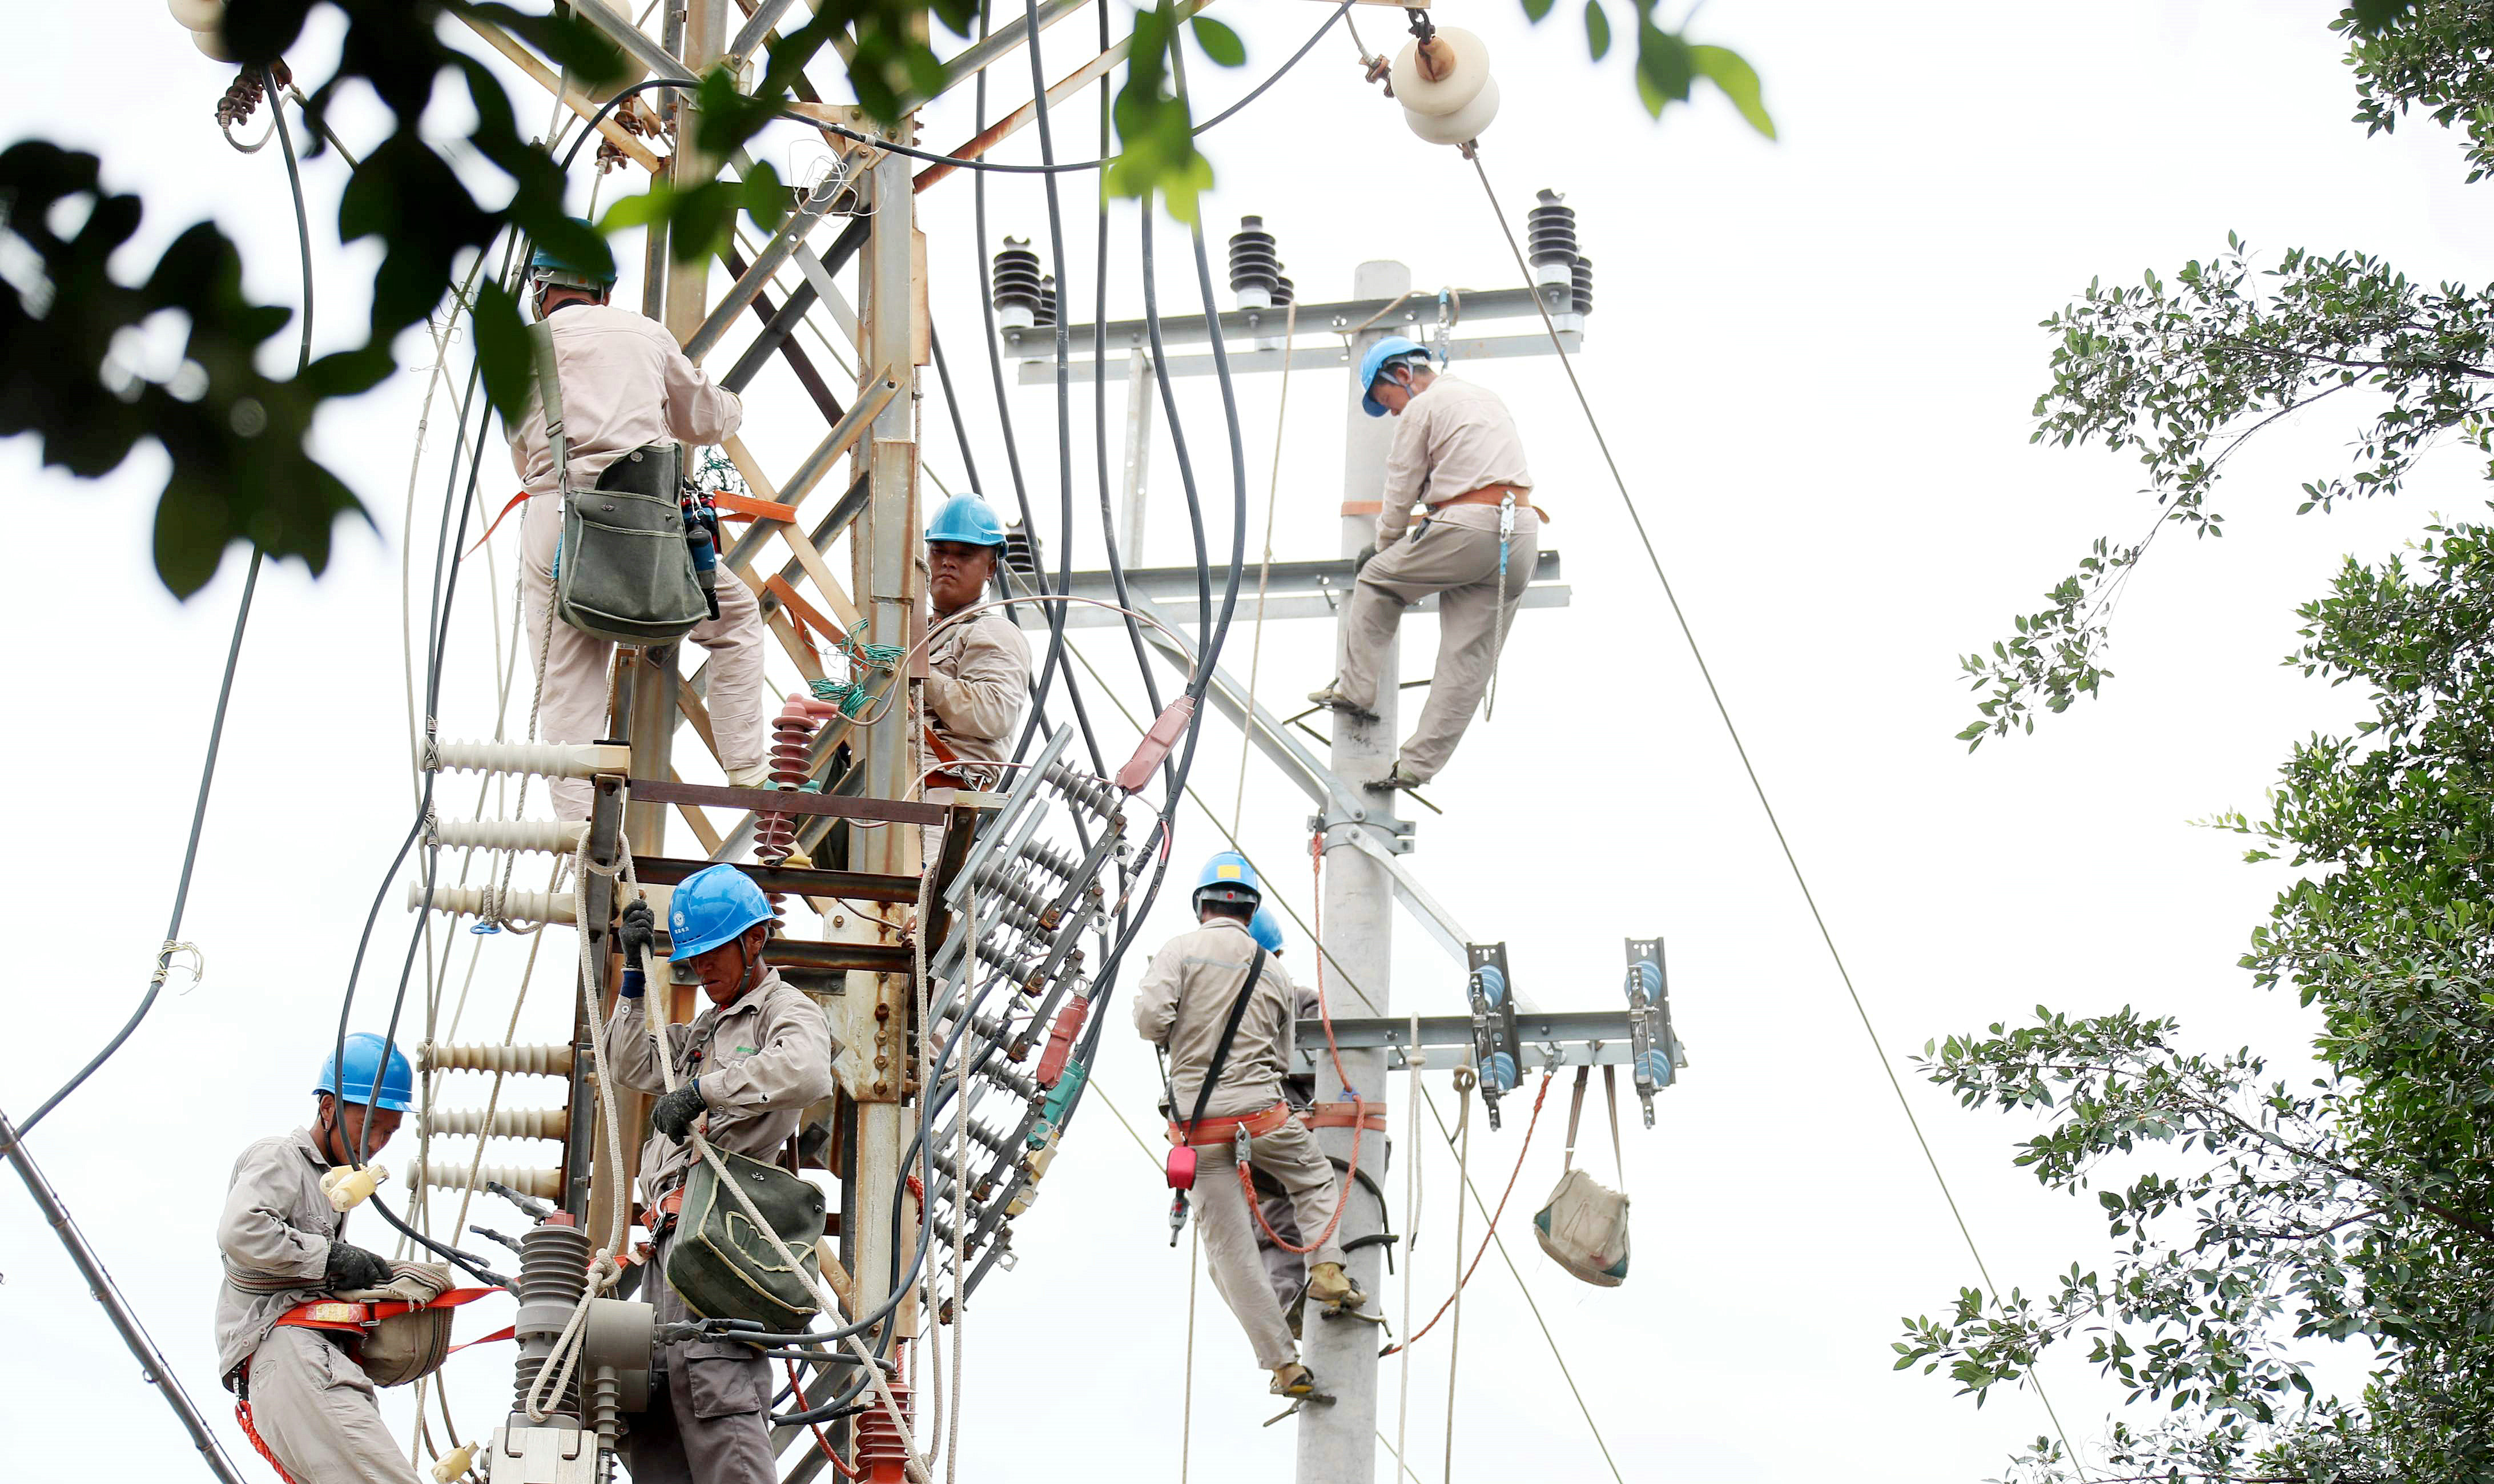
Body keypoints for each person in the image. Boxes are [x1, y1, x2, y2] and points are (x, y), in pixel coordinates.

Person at [507, 225, 773, 818]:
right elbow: (705, 418)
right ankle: (747, 769)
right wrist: (733, 405)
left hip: (557, 523)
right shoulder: (645, 336)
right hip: (642, 526)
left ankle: (585, 849)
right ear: (602, 289)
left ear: (540, 288)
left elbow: (523, 459)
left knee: (567, 699)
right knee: (733, 620)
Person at [602, 864, 839, 1484]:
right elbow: (629, 1060)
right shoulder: (706, 1028)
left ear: (755, 939)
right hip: (665, 1254)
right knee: (649, 1420)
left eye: (712, 953)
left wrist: (706, 1091)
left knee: (716, 1391)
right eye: (693, 959)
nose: (702, 969)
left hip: (718, 1251)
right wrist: (635, 973)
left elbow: (807, 1072)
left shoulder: (784, 1012)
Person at [1133, 853, 1363, 1398]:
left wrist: (1182, 1029)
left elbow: (1149, 1022)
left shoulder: (1178, 951)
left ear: (1201, 904)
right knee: (1312, 1180)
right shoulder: (1276, 971)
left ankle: (1284, 1366)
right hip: (1264, 1118)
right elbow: (1282, 1061)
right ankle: (1328, 1269)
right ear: (1252, 905)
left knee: (1231, 1252)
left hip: (1199, 1131)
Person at [1309, 335, 1542, 792]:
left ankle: (1355, 690)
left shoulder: (1422, 407)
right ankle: (1418, 766)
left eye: (1388, 400)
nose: (1393, 411)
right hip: (1521, 536)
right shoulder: (1485, 398)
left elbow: (1400, 487)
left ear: (1402, 374)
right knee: (1466, 661)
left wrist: (1385, 547)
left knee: (1377, 580)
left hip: (1468, 527)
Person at [216, 1033, 421, 1484]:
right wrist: (329, 1257)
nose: (380, 1142)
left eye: (390, 1131)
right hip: (284, 1350)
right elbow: (240, 1229)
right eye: (372, 1127)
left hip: (303, 1361)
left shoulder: (334, 1187)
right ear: (328, 1107)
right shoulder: (281, 1157)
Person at [918, 492, 1032, 854]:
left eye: (964, 554)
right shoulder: (913, 633)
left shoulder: (992, 631)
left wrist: (919, 675)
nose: (948, 563)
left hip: (941, 808)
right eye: (939, 551)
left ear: (991, 568)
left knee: (913, 907)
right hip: (885, 801)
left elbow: (993, 713)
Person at [1245, 905, 1325, 1330]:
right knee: (1271, 1224)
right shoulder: (1225, 1009)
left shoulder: (1301, 1002)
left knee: (1282, 1220)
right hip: (1260, 1137)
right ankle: (1295, 1306)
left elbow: (1327, 1061)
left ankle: (1302, 1301)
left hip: (1295, 1132)